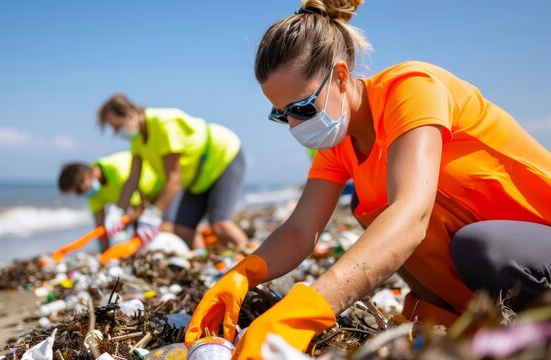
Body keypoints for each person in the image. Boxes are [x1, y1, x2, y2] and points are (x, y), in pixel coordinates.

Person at [184, 0, 551, 357]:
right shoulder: (338, 145)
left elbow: (411, 215)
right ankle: (481, 326)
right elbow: (299, 230)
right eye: (281, 115)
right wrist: (241, 276)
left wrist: (306, 312)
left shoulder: (411, 88)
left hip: (532, 240)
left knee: (474, 243)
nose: (294, 124)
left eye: (301, 108)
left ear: (341, 76)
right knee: (371, 210)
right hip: (485, 277)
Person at [98, 94, 249, 250]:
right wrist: (118, 211)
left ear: (130, 114)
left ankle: (256, 261)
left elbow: (174, 180)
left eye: (117, 127)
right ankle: (206, 264)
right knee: (183, 230)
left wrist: (153, 213)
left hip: (221, 157)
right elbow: (132, 179)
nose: (117, 133)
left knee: (220, 224)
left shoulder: (163, 124)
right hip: (197, 178)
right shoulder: (137, 139)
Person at [58, 151, 167, 252]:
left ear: (86, 175)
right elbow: (100, 227)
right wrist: (105, 256)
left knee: (159, 227)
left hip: (162, 188)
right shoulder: (93, 194)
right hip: (144, 201)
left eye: (78, 190)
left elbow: (140, 208)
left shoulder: (117, 169)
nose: (80, 195)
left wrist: (122, 223)